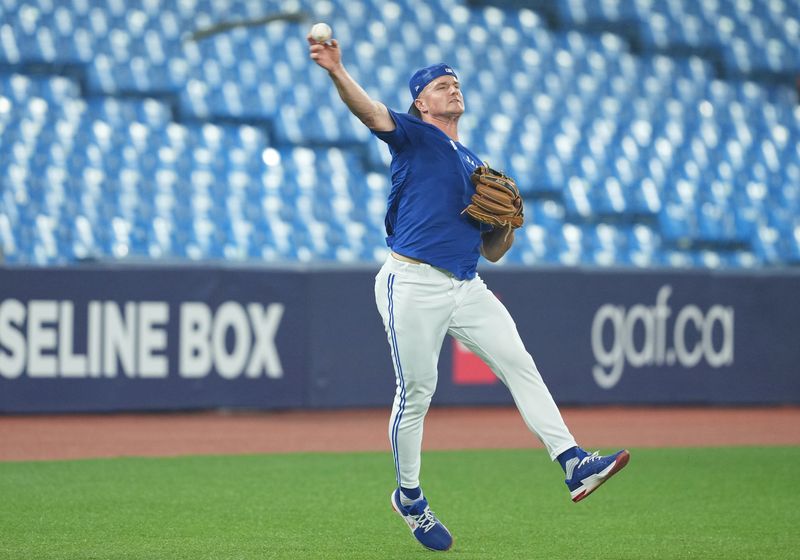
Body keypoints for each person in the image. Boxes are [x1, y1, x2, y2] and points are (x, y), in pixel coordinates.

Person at [308, 34, 630, 552]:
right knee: (417, 393)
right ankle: (410, 498)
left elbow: (493, 250)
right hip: (411, 281)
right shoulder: (413, 134)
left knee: (519, 364)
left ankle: (573, 462)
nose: (452, 89)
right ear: (421, 101)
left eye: (455, 83)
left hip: (467, 285)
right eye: (441, 85)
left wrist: (508, 224)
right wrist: (336, 70)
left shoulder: (473, 160)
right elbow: (368, 113)